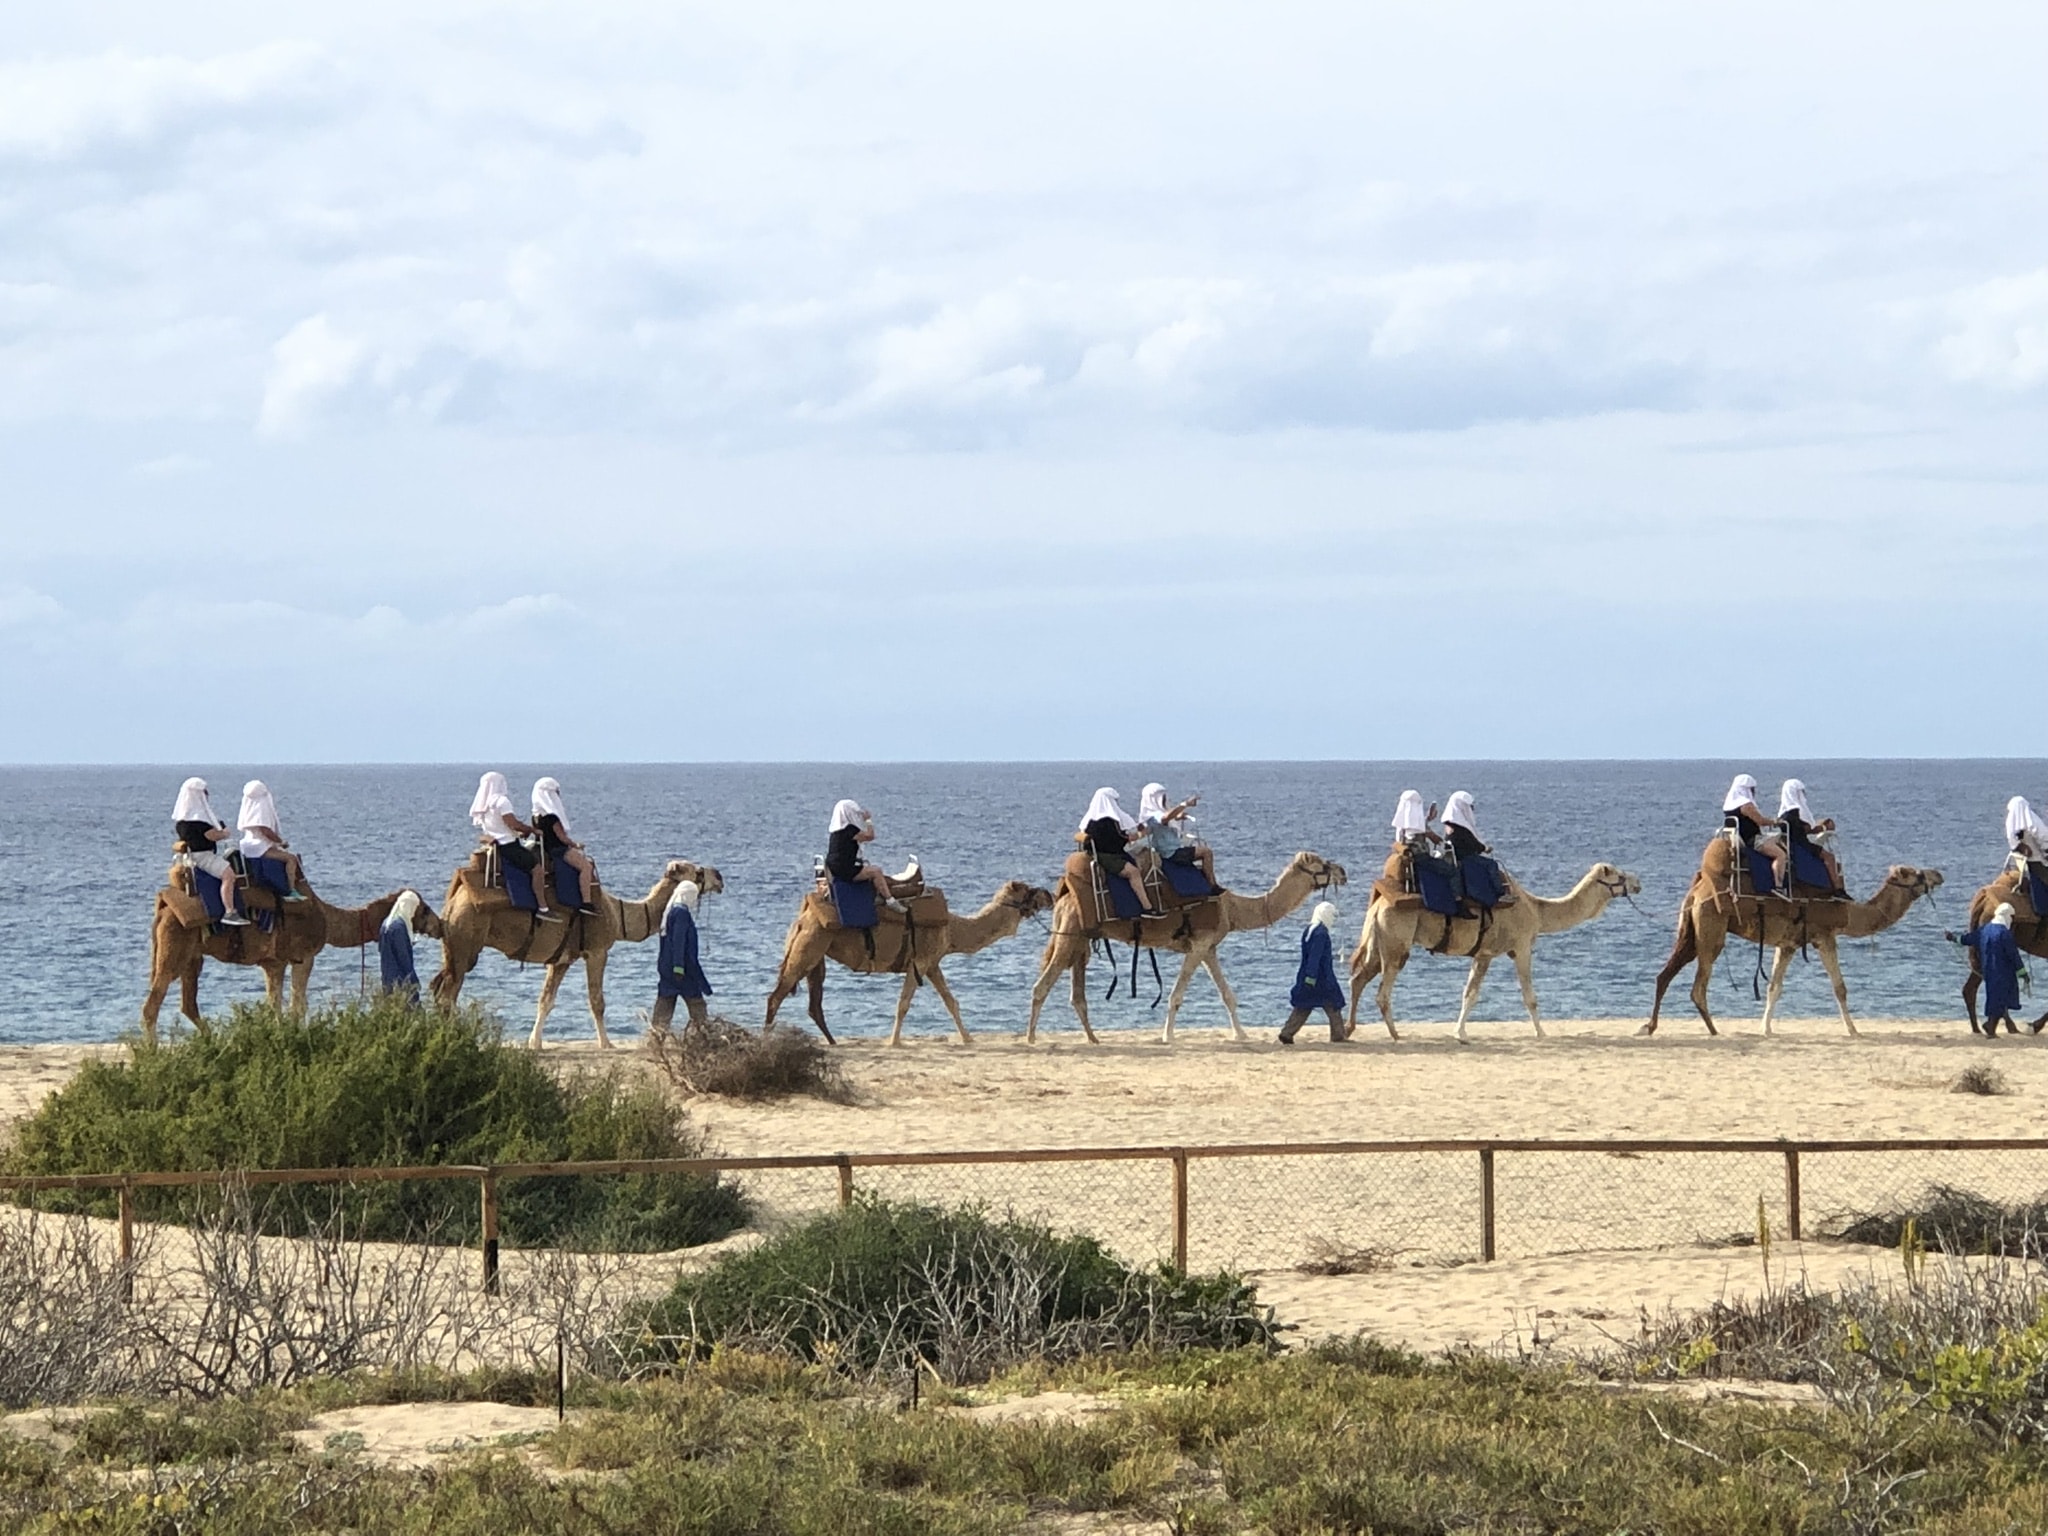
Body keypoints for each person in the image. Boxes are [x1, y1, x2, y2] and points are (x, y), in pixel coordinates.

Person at [469, 771, 559, 920]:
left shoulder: (483, 805)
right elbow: (512, 823)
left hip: (496, 845)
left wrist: (519, 831)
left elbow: (496, 828)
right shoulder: (501, 801)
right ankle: (543, 907)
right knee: (538, 870)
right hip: (509, 845)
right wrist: (530, 830)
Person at [172, 777, 250, 925]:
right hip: (203, 856)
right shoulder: (199, 821)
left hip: (190, 857)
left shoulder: (182, 821)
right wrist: (225, 833)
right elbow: (213, 836)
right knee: (229, 875)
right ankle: (230, 912)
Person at [1078, 787, 1162, 917]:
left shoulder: (1090, 819)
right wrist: (1142, 834)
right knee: (1133, 872)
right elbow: (1120, 840)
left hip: (1098, 853)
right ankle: (1147, 907)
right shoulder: (1107, 821)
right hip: (1106, 856)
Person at [1950, 903, 2026, 1038]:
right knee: (2001, 997)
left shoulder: (1985, 929)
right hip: (2003, 971)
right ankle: (1990, 1027)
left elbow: (1969, 939)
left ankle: (1992, 1026)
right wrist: (2022, 972)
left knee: (1994, 997)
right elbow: (2013, 954)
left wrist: (1954, 938)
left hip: (1989, 970)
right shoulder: (2004, 934)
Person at [1278, 901, 1347, 1043]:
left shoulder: (1309, 930)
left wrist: (1307, 977)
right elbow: (1315, 957)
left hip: (1308, 975)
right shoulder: (1321, 934)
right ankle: (1338, 1035)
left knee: (1303, 1006)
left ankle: (1287, 1032)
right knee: (1334, 1003)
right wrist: (1311, 977)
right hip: (1321, 977)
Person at [651, 879, 713, 1032]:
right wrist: (679, 967)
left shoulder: (670, 911)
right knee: (697, 1004)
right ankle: (703, 1036)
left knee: (665, 1003)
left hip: (666, 966)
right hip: (683, 968)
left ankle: (655, 1039)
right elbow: (679, 941)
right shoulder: (681, 913)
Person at [531, 776, 598, 913]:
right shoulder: (552, 818)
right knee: (586, 867)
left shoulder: (536, 816)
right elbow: (562, 837)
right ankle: (586, 902)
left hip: (546, 849)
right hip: (558, 850)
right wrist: (575, 844)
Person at [236, 779, 309, 901]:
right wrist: (280, 842)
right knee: (291, 859)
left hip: (248, 846)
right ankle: (290, 890)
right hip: (260, 847)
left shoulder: (247, 807)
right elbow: (265, 830)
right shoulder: (260, 808)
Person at [1440, 790, 1513, 908]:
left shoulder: (1450, 823)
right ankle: (1500, 894)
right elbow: (1473, 844)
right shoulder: (1460, 826)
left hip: (1458, 856)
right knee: (1492, 864)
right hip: (1466, 857)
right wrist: (1485, 848)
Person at [1135, 782, 1216, 887]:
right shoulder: (1154, 816)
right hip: (1172, 853)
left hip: (1167, 850)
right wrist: (1185, 804)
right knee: (1206, 852)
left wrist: (1179, 816)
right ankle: (1212, 884)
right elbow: (1165, 818)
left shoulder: (1150, 814)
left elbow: (1168, 816)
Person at [1777, 779, 1845, 896]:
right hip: (1800, 846)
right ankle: (1838, 889)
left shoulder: (1783, 813)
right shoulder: (1796, 812)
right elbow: (1808, 829)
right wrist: (1824, 828)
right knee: (1829, 857)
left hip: (1790, 844)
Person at [826, 800, 897, 907]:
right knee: (876, 871)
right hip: (846, 871)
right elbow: (870, 836)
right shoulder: (849, 830)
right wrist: (868, 821)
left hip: (834, 869)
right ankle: (890, 900)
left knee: (866, 867)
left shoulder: (835, 831)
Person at [1721, 774, 1782, 894]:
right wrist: (1775, 821)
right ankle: (1779, 886)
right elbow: (1760, 821)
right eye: (1752, 789)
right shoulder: (1745, 805)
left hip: (1740, 837)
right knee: (1781, 854)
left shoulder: (1729, 806)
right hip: (1752, 839)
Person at [2005, 797, 2048, 916]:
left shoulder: (2012, 827)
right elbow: (2044, 840)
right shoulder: (2033, 822)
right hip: (2040, 861)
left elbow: (2013, 843)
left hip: (2026, 862)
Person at [379, 890, 424, 1001]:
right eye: (413, 907)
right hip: (400, 979)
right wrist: (413, 980)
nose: (413, 912)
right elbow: (403, 957)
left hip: (387, 976)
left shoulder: (386, 923)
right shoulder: (398, 927)